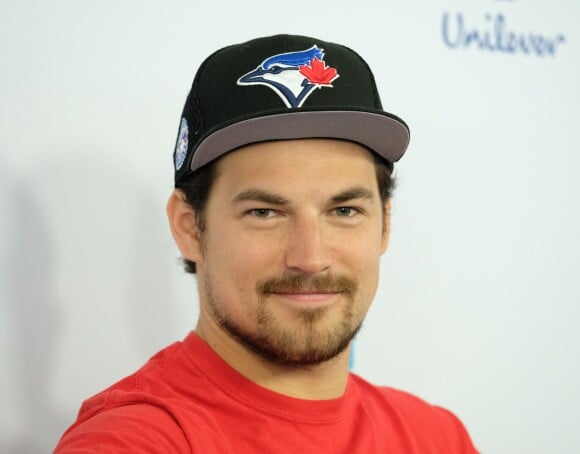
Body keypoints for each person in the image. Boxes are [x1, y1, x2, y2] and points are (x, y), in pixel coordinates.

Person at [54, 34, 478, 453]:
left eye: (344, 210)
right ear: (190, 228)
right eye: (264, 213)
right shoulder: (133, 440)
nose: (310, 258)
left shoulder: (437, 437)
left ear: (385, 224)